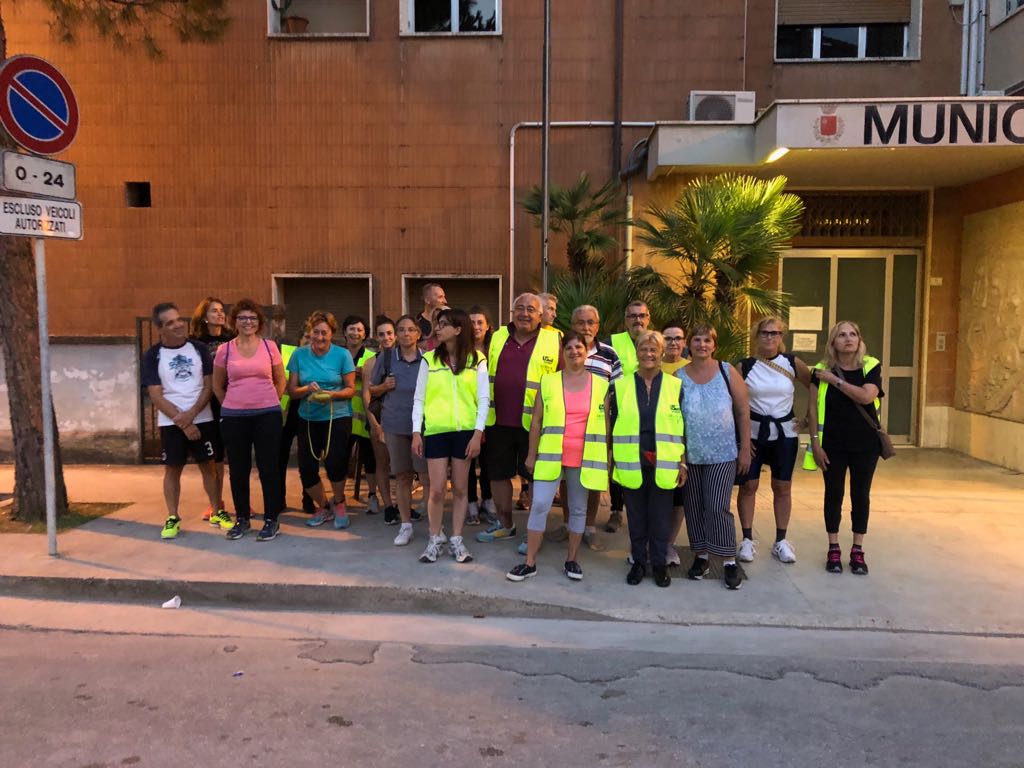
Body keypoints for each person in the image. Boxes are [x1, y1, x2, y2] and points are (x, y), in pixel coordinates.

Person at [507, 332, 609, 582]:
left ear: (586, 352)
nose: (574, 351)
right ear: (563, 353)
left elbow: (605, 424)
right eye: (569, 348)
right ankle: (529, 562)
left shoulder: (601, 385)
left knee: (578, 509)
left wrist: (605, 459)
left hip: (584, 457)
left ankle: (572, 560)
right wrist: (531, 454)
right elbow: (536, 421)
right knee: (540, 505)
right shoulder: (549, 381)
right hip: (550, 455)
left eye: (579, 347)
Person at [476, 293, 561, 544]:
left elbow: (562, 380)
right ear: (512, 312)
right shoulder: (498, 336)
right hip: (498, 421)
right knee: (498, 475)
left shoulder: (554, 339)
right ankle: (505, 525)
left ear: (541, 315)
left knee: (535, 478)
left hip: (535, 425)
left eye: (531, 310)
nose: (525, 313)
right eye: (520, 308)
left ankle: (532, 534)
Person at [806, 320, 884, 576]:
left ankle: (858, 549)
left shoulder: (870, 366)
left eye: (853, 334)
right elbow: (812, 409)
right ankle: (833, 547)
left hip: (865, 444)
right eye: (842, 335)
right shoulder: (820, 371)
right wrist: (815, 444)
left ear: (859, 340)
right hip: (832, 444)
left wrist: (835, 381)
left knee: (861, 495)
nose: (848, 339)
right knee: (833, 494)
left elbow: (867, 396)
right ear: (833, 342)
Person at [412, 308, 489, 564]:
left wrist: (477, 434)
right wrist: (416, 432)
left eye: (443, 324)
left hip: (465, 433)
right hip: (436, 432)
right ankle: (434, 538)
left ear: (458, 329)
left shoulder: (477, 360)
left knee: (460, 488)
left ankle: (456, 538)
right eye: (438, 324)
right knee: (436, 490)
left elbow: (483, 399)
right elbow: (419, 398)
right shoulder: (429, 360)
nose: (438, 328)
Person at [677, 324, 751, 590]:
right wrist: (679, 457)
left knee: (718, 506)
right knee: (693, 507)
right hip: (691, 455)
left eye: (707, 340)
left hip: (723, 453)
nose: (702, 345)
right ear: (689, 344)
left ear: (714, 345)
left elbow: (742, 411)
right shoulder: (678, 376)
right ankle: (702, 557)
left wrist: (745, 449)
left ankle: (729, 560)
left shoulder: (727, 371)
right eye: (696, 340)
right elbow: (673, 419)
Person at [610, 331, 686, 588]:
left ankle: (660, 563)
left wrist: (682, 461)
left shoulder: (675, 386)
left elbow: (682, 426)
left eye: (654, 349)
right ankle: (639, 562)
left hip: (665, 461)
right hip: (632, 459)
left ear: (661, 353)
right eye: (643, 349)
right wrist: (611, 459)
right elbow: (613, 424)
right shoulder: (621, 386)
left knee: (661, 516)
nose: (649, 354)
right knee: (636, 516)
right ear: (637, 353)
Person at [143, 302, 224, 539]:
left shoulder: (199, 349)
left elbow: (208, 386)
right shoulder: (153, 355)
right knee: (172, 469)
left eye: (179, 319)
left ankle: (217, 511)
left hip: (203, 417)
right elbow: (156, 395)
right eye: (170, 323)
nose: (178, 325)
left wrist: (192, 415)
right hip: (172, 422)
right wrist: (184, 423)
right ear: (160, 329)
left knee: (209, 466)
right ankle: (172, 517)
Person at [735, 317, 811, 564]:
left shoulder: (792, 363)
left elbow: (815, 387)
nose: (769, 337)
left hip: (784, 434)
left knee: (782, 487)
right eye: (765, 333)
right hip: (753, 434)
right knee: (749, 486)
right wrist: (740, 437)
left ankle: (781, 540)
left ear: (781, 337)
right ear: (756, 336)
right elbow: (733, 401)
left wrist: (808, 419)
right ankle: (747, 539)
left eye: (775, 333)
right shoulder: (745, 366)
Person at [545, 304, 621, 548]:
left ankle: (589, 528)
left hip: (596, 430)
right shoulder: (563, 350)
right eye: (580, 322)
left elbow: (617, 392)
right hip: (565, 428)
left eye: (591, 322)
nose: (586, 327)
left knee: (593, 477)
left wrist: (610, 432)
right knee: (566, 480)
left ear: (597, 326)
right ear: (572, 325)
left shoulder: (609, 354)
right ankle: (569, 524)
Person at [212, 299, 286, 541]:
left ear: (259, 322)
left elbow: (280, 380)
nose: (248, 322)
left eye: (252, 318)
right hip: (234, 417)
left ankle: (271, 519)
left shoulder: (269, 347)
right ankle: (242, 518)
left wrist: (270, 401)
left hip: (267, 416)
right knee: (238, 470)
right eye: (242, 318)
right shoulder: (225, 350)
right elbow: (217, 385)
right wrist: (230, 404)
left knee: (269, 468)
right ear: (234, 322)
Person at [286, 310, 357, 530]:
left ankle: (340, 502)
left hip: (337, 415)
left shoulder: (342, 355)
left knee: (335, 463)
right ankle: (324, 506)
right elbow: (292, 391)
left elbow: (351, 389)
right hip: (308, 417)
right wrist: (307, 389)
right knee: (307, 468)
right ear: (310, 332)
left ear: (332, 334)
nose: (319, 337)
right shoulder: (299, 355)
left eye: (324, 333)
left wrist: (331, 395)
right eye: (315, 332)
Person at [373, 315, 428, 545]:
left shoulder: (428, 359)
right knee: (403, 476)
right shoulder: (386, 358)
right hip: (395, 425)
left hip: (423, 427)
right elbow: (372, 390)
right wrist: (384, 386)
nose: (406, 333)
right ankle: (406, 525)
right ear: (396, 334)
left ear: (418, 334)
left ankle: (433, 526)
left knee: (427, 476)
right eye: (402, 329)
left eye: (411, 329)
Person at [605, 300, 652, 534]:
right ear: (625, 320)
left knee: (647, 460)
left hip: (650, 411)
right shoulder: (611, 343)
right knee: (618, 460)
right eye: (632, 316)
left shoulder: (656, 341)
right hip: (620, 412)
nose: (637, 320)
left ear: (648, 318)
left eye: (642, 315)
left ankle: (644, 508)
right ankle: (616, 509)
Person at [188, 297, 234, 521]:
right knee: (214, 457)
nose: (220, 314)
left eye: (221, 310)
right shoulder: (195, 343)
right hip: (207, 402)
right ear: (204, 317)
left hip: (231, 400)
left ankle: (241, 501)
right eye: (214, 311)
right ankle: (216, 503)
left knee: (234, 454)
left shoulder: (233, 339)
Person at [341, 316, 384, 515]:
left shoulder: (371, 358)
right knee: (340, 459)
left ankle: (373, 496)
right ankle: (339, 497)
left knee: (370, 460)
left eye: (359, 330)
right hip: (342, 415)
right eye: (351, 329)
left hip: (366, 416)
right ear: (344, 332)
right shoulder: (337, 355)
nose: (355, 333)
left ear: (365, 334)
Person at [278, 325, 316, 514]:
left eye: (312, 336)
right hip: (286, 415)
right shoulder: (287, 355)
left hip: (307, 413)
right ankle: (279, 500)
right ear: (300, 339)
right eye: (307, 336)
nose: (310, 340)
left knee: (307, 460)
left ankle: (308, 499)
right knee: (279, 458)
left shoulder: (318, 357)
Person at [363, 316, 397, 520]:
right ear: (376, 337)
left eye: (390, 333)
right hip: (379, 419)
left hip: (401, 419)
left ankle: (403, 505)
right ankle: (388, 506)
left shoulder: (407, 359)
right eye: (382, 334)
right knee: (382, 463)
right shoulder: (371, 363)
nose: (386, 338)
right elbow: (366, 395)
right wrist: (375, 424)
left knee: (403, 467)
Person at [660, 322, 689, 565]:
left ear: (684, 342)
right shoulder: (651, 365)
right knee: (657, 496)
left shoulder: (691, 368)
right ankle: (650, 542)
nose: (673, 343)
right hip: (657, 440)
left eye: (678, 338)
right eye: (668, 338)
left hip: (684, 438)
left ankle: (669, 544)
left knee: (679, 497)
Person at [466, 306, 496, 525]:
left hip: (491, 413)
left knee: (488, 461)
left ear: (488, 326)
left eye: (480, 323)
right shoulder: (461, 350)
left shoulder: (494, 350)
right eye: (472, 323)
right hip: (467, 413)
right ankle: (471, 502)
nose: (476, 327)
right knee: (467, 460)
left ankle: (488, 499)